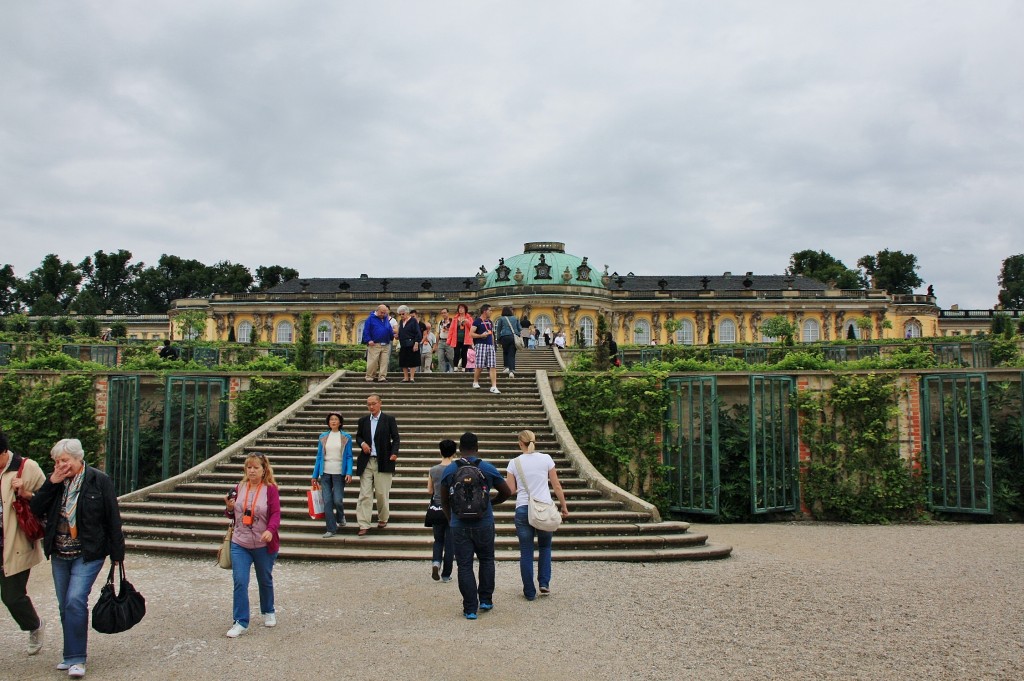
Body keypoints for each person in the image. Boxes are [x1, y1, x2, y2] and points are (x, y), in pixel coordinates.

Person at [30, 438, 125, 678]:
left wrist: (117, 554)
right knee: (65, 605)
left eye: (65, 460)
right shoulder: (55, 483)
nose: (61, 465)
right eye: (57, 461)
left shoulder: (98, 480)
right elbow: (36, 509)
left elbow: (113, 517)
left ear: (78, 459)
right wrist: (51, 482)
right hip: (60, 552)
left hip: (88, 553)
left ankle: (76, 658)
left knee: (74, 600)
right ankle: (69, 653)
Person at [440, 432, 512, 619]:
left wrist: (451, 519)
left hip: (459, 524)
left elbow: (444, 499)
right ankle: (486, 599)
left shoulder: (449, 470)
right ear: (477, 448)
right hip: (484, 521)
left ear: (459, 449)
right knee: (487, 559)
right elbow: (506, 491)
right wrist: (491, 503)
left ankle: (470, 608)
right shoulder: (486, 468)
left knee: (464, 565)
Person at [504, 430, 570, 601]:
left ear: (520, 443)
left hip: (523, 509)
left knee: (526, 551)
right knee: (545, 547)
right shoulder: (546, 459)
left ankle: (529, 592)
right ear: (535, 441)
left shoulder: (514, 463)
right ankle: (544, 583)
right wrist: (563, 506)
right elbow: (556, 485)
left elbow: (510, 490)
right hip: (544, 509)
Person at [224, 453, 281, 638]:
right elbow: (232, 515)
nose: (252, 471)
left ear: (264, 469)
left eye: (256, 467)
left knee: (264, 579)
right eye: (249, 467)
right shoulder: (239, 487)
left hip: (263, 543)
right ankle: (240, 621)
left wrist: (270, 530)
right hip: (240, 542)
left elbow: (275, 513)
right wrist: (230, 508)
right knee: (240, 581)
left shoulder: (270, 489)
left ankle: (268, 609)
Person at [0, 430, 47, 656]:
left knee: (12, 596)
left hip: (15, 545)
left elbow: (50, 502)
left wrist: (27, 494)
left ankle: (34, 626)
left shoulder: (27, 468)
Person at [354, 394, 400, 536]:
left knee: (381, 493)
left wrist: (394, 453)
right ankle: (363, 523)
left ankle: (383, 517)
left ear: (380, 403)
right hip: (367, 461)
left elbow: (396, 437)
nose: (371, 407)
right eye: (369, 404)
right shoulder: (363, 421)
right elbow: (358, 436)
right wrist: (362, 444)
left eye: (374, 403)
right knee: (365, 494)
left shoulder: (389, 419)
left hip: (384, 460)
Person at [311, 412, 353, 538]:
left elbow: (349, 456)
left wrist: (349, 472)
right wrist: (314, 475)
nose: (333, 421)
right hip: (325, 473)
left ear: (340, 422)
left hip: (339, 473)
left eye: (336, 419)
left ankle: (341, 516)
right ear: (328, 422)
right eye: (331, 420)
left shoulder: (346, 437)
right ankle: (331, 528)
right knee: (327, 501)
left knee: (338, 500)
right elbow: (319, 456)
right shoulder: (323, 437)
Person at [426, 439, 456, 583]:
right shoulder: (456, 469)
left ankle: (436, 562)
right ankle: (446, 574)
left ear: (440, 451)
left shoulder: (433, 469)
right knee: (450, 543)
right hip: (451, 509)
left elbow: (429, 490)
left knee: (438, 540)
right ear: (454, 452)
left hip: (437, 508)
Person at [471, 304, 500, 394]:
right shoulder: (477, 322)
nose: (491, 312)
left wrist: (493, 345)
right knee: (479, 366)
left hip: (490, 345)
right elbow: (471, 334)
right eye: (490, 310)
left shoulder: (490, 322)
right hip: (480, 345)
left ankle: (494, 386)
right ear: (485, 311)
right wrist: (481, 335)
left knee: (492, 366)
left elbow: (491, 334)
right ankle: (475, 382)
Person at [361, 304, 395, 382]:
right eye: (382, 313)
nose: (383, 314)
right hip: (374, 344)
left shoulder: (385, 318)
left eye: (385, 313)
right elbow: (366, 330)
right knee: (373, 361)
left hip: (385, 343)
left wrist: (391, 336)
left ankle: (382, 377)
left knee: (384, 361)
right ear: (377, 311)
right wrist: (369, 340)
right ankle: (369, 376)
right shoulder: (370, 318)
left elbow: (389, 328)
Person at [396, 305, 422, 383]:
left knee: (412, 361)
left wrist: (416, 343)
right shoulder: (401, 322)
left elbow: (418, 332)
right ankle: (406, 377)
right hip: (403, 343)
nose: (401, 316)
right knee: (403, 361)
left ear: (407, 313)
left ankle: (412, 377)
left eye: (403, 314)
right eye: (400, 314)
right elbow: (401, 332)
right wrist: (398, 336)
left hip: (412, 343)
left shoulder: (413, 321)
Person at [495, 306, 522, 379]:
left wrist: (498, 340)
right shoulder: (515, 318)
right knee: (512, 354)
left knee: (505, 352)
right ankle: (512, 370)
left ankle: (506, 367)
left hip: (504, 337)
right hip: (513, 337)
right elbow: (520, 328)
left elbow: (498, 330)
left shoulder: (501, 319)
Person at [447, 303, 474, 372]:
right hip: (456, 339)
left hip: (466, 339)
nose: (460, 309)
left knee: (464, 353)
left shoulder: (469, 318)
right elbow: (451, 330)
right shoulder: (455, 319)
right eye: (459, 308)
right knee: (456, 353)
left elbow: (472, 328)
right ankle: (455, 366)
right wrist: (449, 340)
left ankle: (463, 367)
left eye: (462, 308)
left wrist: (467, 322)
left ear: (465, 309)